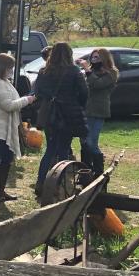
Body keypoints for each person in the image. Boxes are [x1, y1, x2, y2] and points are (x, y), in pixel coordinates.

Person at [0, 53, 36, 203]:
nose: (12, 70)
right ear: (3, 67)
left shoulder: (5, 82)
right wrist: (27, 100)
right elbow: (8, 105)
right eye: (10, 67)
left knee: (6, 159)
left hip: (6, 128)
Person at [35, 42, 89, 189]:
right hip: (68, 113)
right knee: (63, 149)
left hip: (50, 113)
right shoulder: (73, 71)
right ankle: (58, 183)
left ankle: (41, 182)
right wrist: (77, 104)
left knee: (50, 149)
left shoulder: (44, 71)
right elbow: (84, 92)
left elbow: (38, 92)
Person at [78, 48, 118, 176]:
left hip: (98, 111)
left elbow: (97, 84)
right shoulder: (89, 72)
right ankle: (86, 171)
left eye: (97, 57)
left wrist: (88, 70)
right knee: (83, 142)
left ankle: (98, 170)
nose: (94, 60)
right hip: (85, 110)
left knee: (91, 142)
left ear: (104, 59)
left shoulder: (111, 73)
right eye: (93, 57)